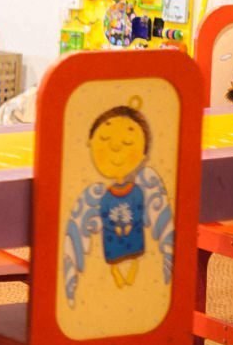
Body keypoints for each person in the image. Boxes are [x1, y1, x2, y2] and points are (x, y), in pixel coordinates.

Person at [62, 97, 173, 307]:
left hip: (131, 240)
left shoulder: (144, 186)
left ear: (144, 154)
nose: (115, 147)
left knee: (132, 256)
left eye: (128, 143)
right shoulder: (98, 195)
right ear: (89, 143)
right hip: (115, 242)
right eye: (104, 138)